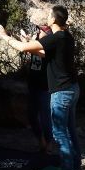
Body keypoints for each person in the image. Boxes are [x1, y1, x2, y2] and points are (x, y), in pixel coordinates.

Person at [0, 5, 80, 170]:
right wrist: (30, 43)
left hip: (62, 92)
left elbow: (23, 48)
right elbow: (42, 53)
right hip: (73, 88)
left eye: (49, 15)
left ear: (53, 20)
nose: (47, 17)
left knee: (60, 134)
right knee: (70, 131)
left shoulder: (55, 38)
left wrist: (4, 36)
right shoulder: (66, 37)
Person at [20, 24, 54, 153]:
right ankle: (41, 142)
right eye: (39, 30)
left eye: (42, 31)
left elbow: (32, 49)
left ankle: (49, 143)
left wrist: (26, 44)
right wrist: (26, 40)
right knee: (32, 115)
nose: (39, 32)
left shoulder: (49, 46)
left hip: (45, 86)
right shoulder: (36, 43)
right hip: (33, 84)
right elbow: (28, 46)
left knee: (45, 116)